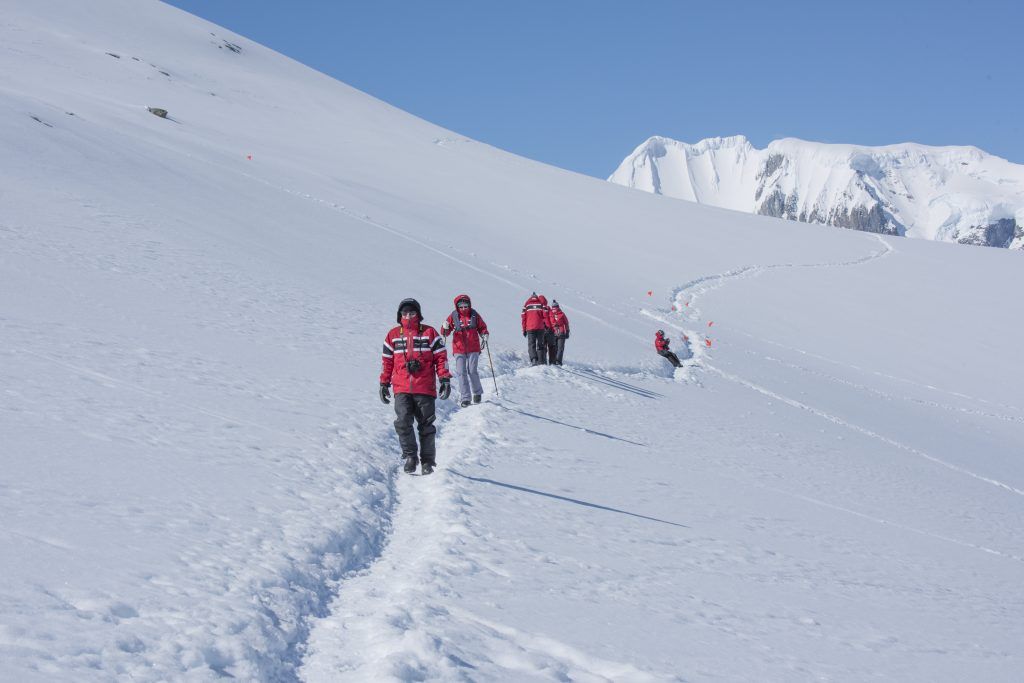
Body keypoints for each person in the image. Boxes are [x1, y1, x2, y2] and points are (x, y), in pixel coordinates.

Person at [379, 298, 452, 474]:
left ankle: (427, 461)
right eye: (405, 313)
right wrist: (383, 382)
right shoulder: (393, 335)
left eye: (412, 312)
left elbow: (441, 358)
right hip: (401, 387)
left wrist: (444, 379)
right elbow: (387, 362)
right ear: (399, 315)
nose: (408, 315)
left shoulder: (430, 333)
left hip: (424, 387)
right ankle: (411, 456)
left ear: (418, 314)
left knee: (426, 425)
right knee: (403, 422)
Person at [441, 293, 490, 407]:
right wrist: (445, 327)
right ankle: (465, 398)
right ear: (457, 307)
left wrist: (484, 334)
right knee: (461, 372)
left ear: (469, 305)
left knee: (472, 370)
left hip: (473, 347)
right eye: (461, 307)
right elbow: (445, 333)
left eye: (466, 306)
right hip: (459, 348)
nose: (463, 309)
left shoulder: (474, 315)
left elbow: (482, 327)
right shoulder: (453, 316)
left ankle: (477, 393)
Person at [521, 292, 548, 366]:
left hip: (530, 328)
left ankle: (534, 360)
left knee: (531, 344)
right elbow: (545, 315)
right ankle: (541, 361)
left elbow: (523, 318)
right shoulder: (540, 304)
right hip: (540, 327)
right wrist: (547, 325)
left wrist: (524, 329)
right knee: (540, 344)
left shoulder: (526, 304)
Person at [546, 300, 570, 365]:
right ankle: (558, 361)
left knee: (554, 347)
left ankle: (553, 361)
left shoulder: (550, 313)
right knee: (560, 348)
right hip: (561, 332)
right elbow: (566, 323)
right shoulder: (562, 313)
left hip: (553, 332)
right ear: (558, 306)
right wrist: (567, 331)